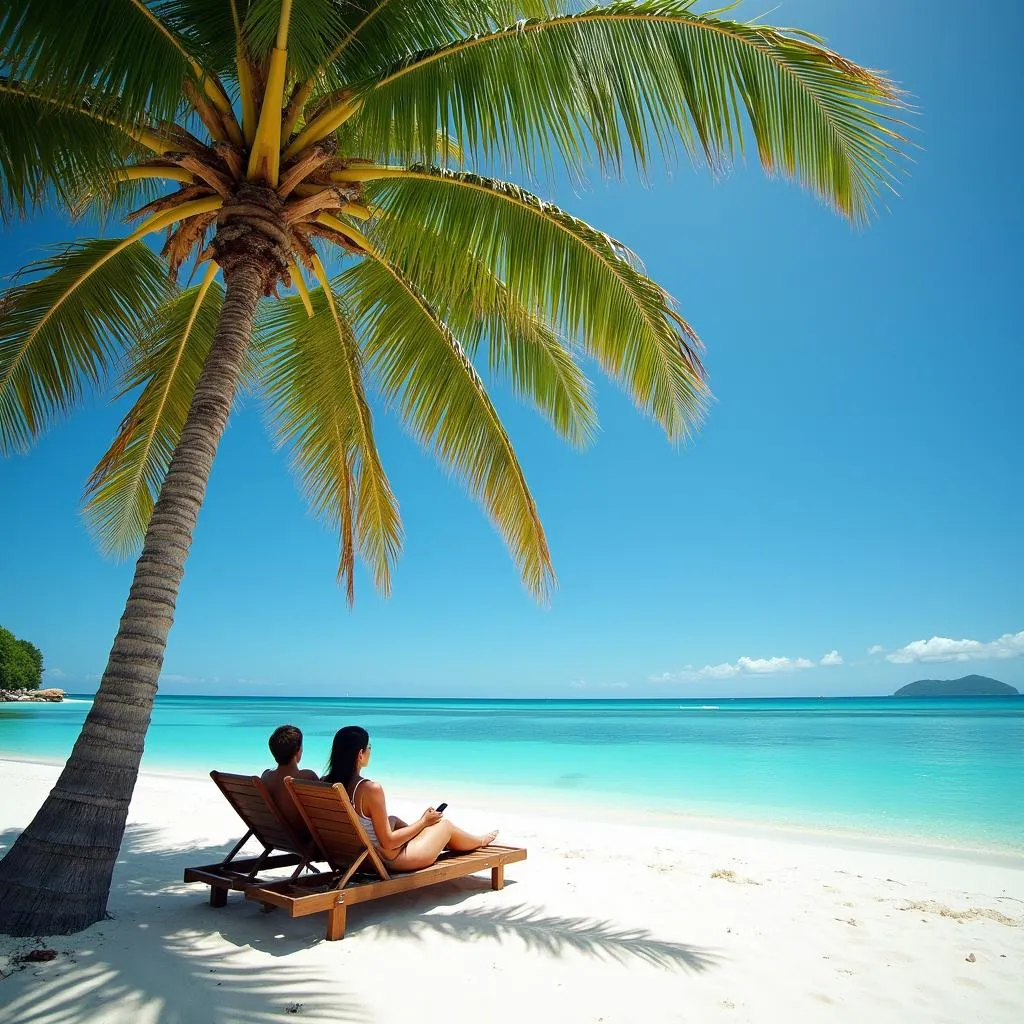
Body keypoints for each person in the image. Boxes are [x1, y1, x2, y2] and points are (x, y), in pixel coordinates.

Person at [322, 725, 498, 870]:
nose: (370, 751)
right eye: (369, 747)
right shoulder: (369, 789)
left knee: (393, 819)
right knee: (445, 825)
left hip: (353, 857)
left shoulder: (325, 783)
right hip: (389, 859)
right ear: (360, 754)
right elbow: (389, 843)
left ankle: (430, 840)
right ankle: (479, 841)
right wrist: (423, 822)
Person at [261, 724, 319, 840]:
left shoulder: (266, 776)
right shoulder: (307, 776)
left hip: (275, 836)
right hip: (304, 839)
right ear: (298, 749)